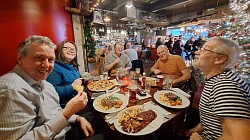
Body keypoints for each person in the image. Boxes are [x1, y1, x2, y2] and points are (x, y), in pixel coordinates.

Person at [0, 35, 103, 140]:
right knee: (105, 135)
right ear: (20, 59)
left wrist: (77, 118)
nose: (46, 65)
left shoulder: (44, 82)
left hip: (64, 127)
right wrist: (67, 112)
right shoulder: (12, 90)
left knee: (100, 121)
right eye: (39, 58)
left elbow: (54, 112)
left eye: (50, 60)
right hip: (59, 134)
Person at [186, 37, 250, 140]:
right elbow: (215, 117)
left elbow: (240, 137)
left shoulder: (226, 86)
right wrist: (198, 128)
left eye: (204, 50)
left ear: (219, 59)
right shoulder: (216, 80)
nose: (197, 52)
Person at [46, 41, 83, 108]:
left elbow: (74, 81)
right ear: (60, 50)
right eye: (67, 48)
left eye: (73, 49)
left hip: (78, 99)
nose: (71, 51)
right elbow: (52, 92)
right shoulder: (54, 68)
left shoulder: (71, 65)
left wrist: (82, 79)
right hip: (67, 106)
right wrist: (72, 86)